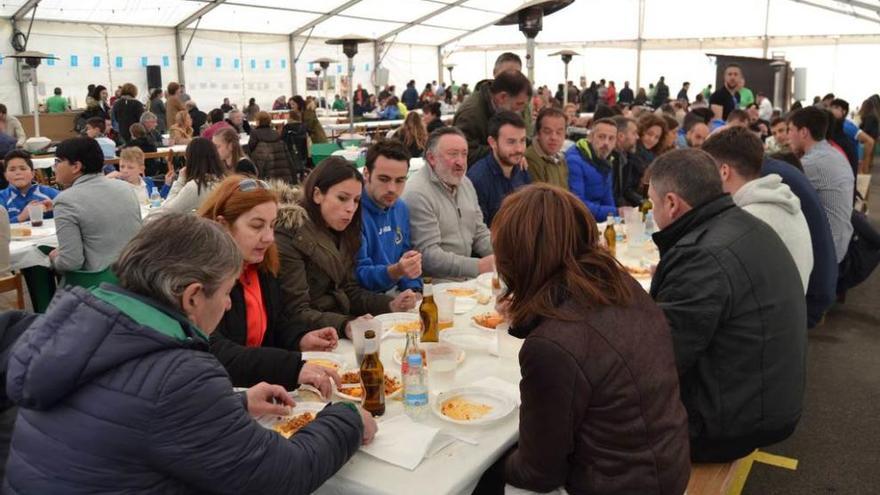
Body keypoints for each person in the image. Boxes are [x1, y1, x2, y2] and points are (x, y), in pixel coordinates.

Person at [4, 212, 375, 493]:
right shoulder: (177, 374)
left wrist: (237, 404)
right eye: (228, 292)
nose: (229, 305)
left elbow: (123, 414)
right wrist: (347, 419)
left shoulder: (77, 326)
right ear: (192, 295)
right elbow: (283, 475)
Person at [478, 184, 690, 495]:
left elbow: (538, 473)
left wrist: (483, 470)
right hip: (664, 464)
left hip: (622, 483)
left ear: (519, 258)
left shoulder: (553, 345)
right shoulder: (619, 284)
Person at [648, 148, 806, 462]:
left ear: (671, 203)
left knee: (592, 420)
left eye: (652, 201)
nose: (652, 209)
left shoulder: (702, 256)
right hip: (763, 400)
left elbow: (659, 357)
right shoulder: (743, 224)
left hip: (726, 424)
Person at [199, 176, 344, 389]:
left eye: (272, 226)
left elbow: (276, 323)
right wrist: (291, 367)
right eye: (257, 226)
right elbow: (215, 351)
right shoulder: (203, 279)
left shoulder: (261, 265)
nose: (269, 237)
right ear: (222, 226)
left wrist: (300, 338)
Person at [273, 158, 417, 336]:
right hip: (309, 337)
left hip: (337, 326)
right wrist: (346, 324)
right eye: (342, 198)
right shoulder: (289, 234)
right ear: (317, 194)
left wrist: (389, 304)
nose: (350, 208)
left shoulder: (343, 231)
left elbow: (349, 290)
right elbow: (296, 310)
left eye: (356, 200)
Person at [703, 126, 813, 289]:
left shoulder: (746, 221)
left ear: (724, 172)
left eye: (706, 169)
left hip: (772, 312)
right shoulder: (780, 197)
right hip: (794, 306)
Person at [403, 127, 494, 280]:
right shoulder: (417, 193)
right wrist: (478, 266)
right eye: (452, 154)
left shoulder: (465, 183)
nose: (460, 162)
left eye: (464, 154)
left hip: (467, 281)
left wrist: (505, 255)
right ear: (431, 158)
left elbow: (479, 233)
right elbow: (428, 256)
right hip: (435, 286)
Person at [762, 156, 838, 328]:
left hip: (808, 304)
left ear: (726, 170)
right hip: (825, 285)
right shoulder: (786, 171)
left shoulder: (771, 181)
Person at [49, 137, 142, 273]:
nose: (54, 167)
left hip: (97, 284)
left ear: (76, 167)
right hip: (136, 274)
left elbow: (71, 262)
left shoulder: (65, 201)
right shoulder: (125, 187)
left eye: (57, 161)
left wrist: (54, 259)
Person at [787, 107, 853, 264]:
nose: (787, 136)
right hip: (842, 242)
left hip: (827, 252)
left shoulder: (811, 164)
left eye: (790, 130)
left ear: (803, 132)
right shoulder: (833, 153)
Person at [356, 140, 422, 293]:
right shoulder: (352, 210)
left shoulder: (401, 207)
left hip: (397, 295)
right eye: (384, 179)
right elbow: (358, 276)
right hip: (367, 302)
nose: (392, 189)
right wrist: (397, 271)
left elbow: (406, 257)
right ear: (366, 174)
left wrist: (414, 290)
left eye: (400, 180)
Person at [454, 69, 532, 165]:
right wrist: (502, 148)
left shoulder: (499, 106)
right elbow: (463, 154)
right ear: (502, 97)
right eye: (518, 104)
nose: (520, 110)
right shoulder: (470, 115)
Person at [467, 111, 530, 226]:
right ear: (493, 142)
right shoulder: (478, 180)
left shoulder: (521, 169)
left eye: (522, 140)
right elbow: (478, 232)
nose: (519, 149)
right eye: (511, 142)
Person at [566, 118, 618, 220]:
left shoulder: (606, 161)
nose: (606, 143)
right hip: (580, 222)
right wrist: (616, 212)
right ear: (590, 137)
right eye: (601, 137)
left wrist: (615, 218)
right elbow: (577, 203)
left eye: (611, 138)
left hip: (599, 221)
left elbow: (608, 199)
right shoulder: (574, 160)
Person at [162, 137, 227, 214]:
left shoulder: (195, 187)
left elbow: (167, 211)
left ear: (190, 159)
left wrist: (180, 181)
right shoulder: (224, 179)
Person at [0, 149, 58, 223]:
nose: (18, 173)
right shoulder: (2, 197)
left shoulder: (49, 193)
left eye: (23, 169)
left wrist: (55, 209)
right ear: (6, 176)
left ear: (33, 174)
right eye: (12, 170)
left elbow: (70, 212)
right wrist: (21, 217)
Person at [525, 107, 568, 190]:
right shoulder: (530, 160)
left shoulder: (561, 159)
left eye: (559, 132)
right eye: (547, 132)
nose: (554, 137)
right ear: (538, 133)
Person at [830, 98, 875, 173]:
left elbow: (869, 141)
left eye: (836, 107)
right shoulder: (836, 125)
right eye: (831, 107)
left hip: (848, 166)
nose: (831, 110)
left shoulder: (846, 126)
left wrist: (864, 166)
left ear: (843, 112)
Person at [247, 112, 295, 182]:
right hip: (280, 168)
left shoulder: (255, 133)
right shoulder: (275, 133)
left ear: (258, 121)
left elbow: (251, 148)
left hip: (264, 166)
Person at [610, 115, 645, 207]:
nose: (637, 137)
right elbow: (613, 194)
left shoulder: (626, 157)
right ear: (621, 136)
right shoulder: (609, 160)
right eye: (634, 133)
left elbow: (626, 190)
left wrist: (644, 203)